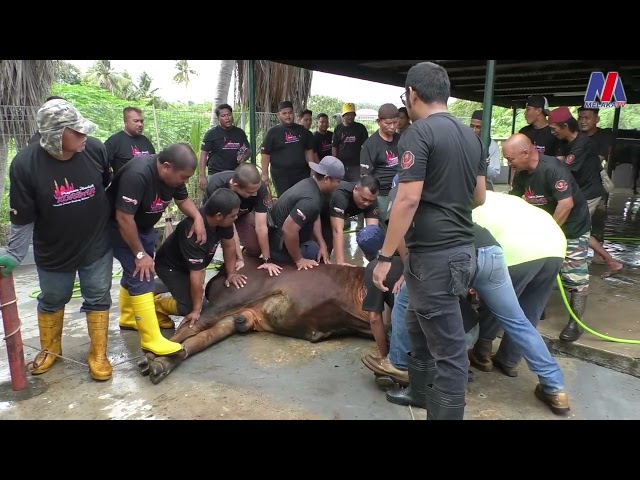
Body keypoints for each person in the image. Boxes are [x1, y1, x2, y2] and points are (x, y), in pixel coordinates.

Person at [372, 61, 485, 420]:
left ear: (412, 94)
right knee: (415, 323)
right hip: (460, 250)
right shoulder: (471, 136)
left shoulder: (418, 134)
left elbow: (406, 199)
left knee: (449, 351)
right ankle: (419, 393)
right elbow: (479, 196)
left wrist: (385, 256)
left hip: (435, 255)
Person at [1, 98, 114, 381]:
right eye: (77, 131)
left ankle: (98, 354)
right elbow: (23, 217)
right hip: (53, 248)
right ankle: (50, 350)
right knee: (52, 298)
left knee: (98, 296)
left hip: (96, 244)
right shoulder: (25, 165)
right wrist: (14, 254)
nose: (84, 135)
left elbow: (107, 185)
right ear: (55, 136)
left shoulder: (96, 150)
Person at [468, 191, 571, 415]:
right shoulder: (504, 198)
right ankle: (547, 384)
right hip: (555, 246)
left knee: (500, 308)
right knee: (527, 315)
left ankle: (482, 352)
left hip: (517, 250)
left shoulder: (469, 203)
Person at [109, 142, 207, 355]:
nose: (185, 182)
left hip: (143, 226)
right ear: (166, 166)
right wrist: (139, 253)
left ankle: (127, 318)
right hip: (119, 227)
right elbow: (123, 218)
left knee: (138, 271)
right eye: (183, 177)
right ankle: (151, 339)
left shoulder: (173, 175)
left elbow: (182, 200)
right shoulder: (138, 174)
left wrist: (198, 216)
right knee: (141, 274)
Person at [504, 133, 592, 342]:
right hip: (545, 225)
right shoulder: (522, 173)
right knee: (538, 268)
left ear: (526, 152)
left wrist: (547, 234)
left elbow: (566, 204)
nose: (509, 163)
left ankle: (575, 323)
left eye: (510, 159)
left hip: (571, 227)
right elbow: (515, 199)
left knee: (574, 276)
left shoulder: (552, 169)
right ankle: (537, 307)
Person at [154, 189, 247, 329]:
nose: (236, 218)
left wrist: (232, 273)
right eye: (233, 216)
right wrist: (196, 310)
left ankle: (161, 287)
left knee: (196, 297)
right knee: (195, 309)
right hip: (171, 267)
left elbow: (229, 246)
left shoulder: (225, 222)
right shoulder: (192, 233)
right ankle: (158, 305)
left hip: (191, 267)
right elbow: (197, 274)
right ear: (219, 216)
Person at [547, 106, 622, 274]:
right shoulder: (565, 142)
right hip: (578, 191)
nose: (552, 133)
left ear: (565, 127)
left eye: (554, 129)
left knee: (576, 228)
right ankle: (611, 261)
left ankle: (572, 266)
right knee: (579, 228)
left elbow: (562, 169)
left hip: (589, 192)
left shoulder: (583, 144)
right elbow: (557, 163)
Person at [204, 163, 283, 276]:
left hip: (242, 216)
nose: (255, 194)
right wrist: (239, 258)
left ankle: (243, 254)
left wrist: (267, 259)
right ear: (235, 186)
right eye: (250, 192)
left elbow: (261, 226)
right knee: (221, 247)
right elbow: (230, 227)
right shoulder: (216, 185)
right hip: (219, 220)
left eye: (256, 190)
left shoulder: (259, 188)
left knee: (256, 249)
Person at [267, 156, 343, 269]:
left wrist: (322, 244)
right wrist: (299, 260)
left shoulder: (311, 184)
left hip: (283, 240)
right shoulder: (311, 199)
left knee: (317, 247)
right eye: (338, 181)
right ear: (327, 179)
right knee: (313, 252)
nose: (339, 185)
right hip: (279, 249)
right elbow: (288, 230)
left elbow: (314, 215)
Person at [260, 100, 315, 197]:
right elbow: (265, 154)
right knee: (285, 200)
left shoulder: (303, 131)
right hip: (281, 176)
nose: (287, 116)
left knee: (302, 198)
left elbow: (308, 151)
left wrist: (313, 169)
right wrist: (264, 174)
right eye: (284, 113)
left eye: (290, 113)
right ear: (278, 115)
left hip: (302, 174)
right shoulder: (272, 132)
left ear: (293, 113)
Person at [321, 175, 380, 264]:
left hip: (341, 215)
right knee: (323, 252)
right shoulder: (341, 195)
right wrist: (341, 263)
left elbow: (372, 231)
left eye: (371, 201)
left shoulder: (371, 199)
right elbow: (337, 230)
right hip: (321, 214)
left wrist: (374, 259)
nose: (367, 203)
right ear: (355, 189)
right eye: (364, 199)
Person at [359, 103, 400, 225]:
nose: (392, 127)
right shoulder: (370, 145)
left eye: (395, 122)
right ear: (378, 121)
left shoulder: (402, 140)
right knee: (384, 230)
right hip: (381, 195)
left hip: (399, 192)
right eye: (388, 123)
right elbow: (365, 176)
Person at [198, 103, 251, 187]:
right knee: (217, 198)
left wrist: (244, 156)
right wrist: (202, 176)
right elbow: (203, 154)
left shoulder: (240, 133)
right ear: (218, 118)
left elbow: (248, 150)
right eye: (223, 116)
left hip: (235, 174)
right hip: (216, 173)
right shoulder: (211, 134)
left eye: (229, 115)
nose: (227, 118)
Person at [104, 107, 156, 175]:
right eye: (136, 121)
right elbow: (103, 165)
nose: (140, 124)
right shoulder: (114, 141)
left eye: (141, 121)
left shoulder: (146, 141)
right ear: (125, 122)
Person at [469, 109, 501, 191]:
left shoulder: (492, 146)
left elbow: (494, 174)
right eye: (472, 126)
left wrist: (485, 165)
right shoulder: (465, 141)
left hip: (485, 184)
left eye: (478, 127)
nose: (474, 130)